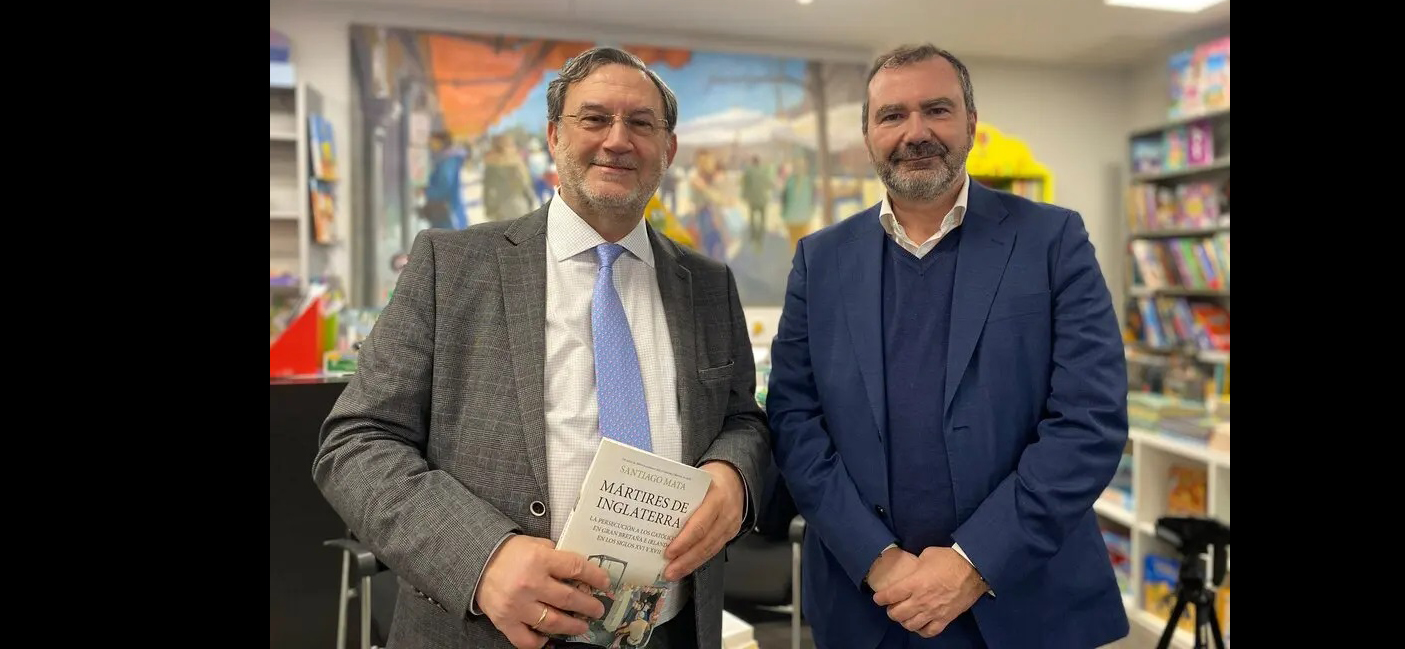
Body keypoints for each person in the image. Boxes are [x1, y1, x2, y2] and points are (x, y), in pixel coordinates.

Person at [313, 46, 771, 649]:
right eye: (594, 118)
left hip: (668, 630)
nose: (617, 140)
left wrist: (734, 476)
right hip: (489, 633)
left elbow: (742, 419)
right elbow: (356, 443)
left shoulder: (708, 284)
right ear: (555, 136)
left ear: (669, 148)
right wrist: (484, 558)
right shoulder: (452, 266)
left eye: (641, 123)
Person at [765, 43, 1130, 649]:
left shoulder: (1052, 241)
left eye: (937, 109)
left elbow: (1090, 419)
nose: (916, 132)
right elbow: (794, 421)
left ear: (971, 123)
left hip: (1026, 603)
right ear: (868, 135)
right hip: (871, 606)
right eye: (892, 115)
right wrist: (877, 558)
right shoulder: (821, 260)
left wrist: (974, 561)